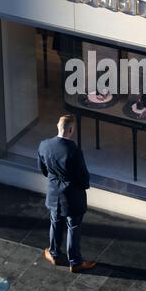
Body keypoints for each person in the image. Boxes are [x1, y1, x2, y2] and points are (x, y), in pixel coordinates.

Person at [37, 114, 96, 272]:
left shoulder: (44, 145)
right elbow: (83, 177)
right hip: (72, 196)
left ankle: (54, 254)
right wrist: (82, 186)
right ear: (71, 130)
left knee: (55, 222)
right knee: (73, 227)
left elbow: (43, 170)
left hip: (54, 193)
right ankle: (75, 262)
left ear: (58, 126)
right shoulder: (74, 151)